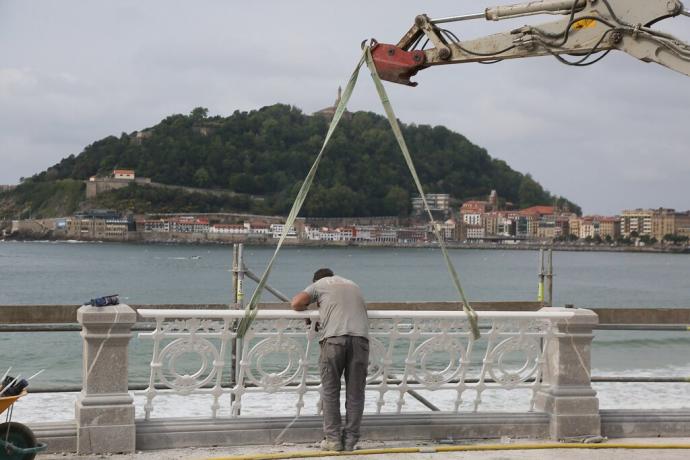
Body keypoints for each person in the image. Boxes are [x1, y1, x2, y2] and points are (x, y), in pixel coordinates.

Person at [291, 268, 369, 452]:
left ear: (316, 280)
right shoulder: (352, 283)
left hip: (334, 341)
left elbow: (296, 303)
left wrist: (312, 309)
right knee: (356, 393)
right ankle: (350, 441)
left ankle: (333, 440)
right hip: (360, 340)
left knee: (331, 391)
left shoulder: (320, 284)